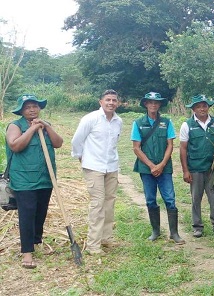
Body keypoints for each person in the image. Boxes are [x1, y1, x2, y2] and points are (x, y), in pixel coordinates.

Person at [6, 95, 63, 268]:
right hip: (24, 179)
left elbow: (58, 143)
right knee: (27, 214)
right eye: (28, 107)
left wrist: (45, 126)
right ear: (21, 110)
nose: (32, 109)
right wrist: (31, 129)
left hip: (45, 177)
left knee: (40, 212)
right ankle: (27, 253)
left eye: (35, 106)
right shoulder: (15, 126)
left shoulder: (45, 125)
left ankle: (36, 242)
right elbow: (15, 145)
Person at [71, 89, 123, 255]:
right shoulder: (90, 119)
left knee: (109, 203)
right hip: (94, 167)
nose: (111, 103)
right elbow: (76, 140)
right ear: (100, 102)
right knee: (98, 204)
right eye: (108, 99)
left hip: (111, 166)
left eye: (114, 100)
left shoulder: (118, 121)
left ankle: (106, 238)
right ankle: (93, 244)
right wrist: (82, 158)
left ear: (118, 103)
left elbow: (115, 142)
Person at [131, 92, 184, 244]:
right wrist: (151, 166)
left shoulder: (166, 123)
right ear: (146, 104)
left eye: (156, 102)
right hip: (146, 169)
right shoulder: (138, 123)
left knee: (170, 199)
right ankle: (156, 231)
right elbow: (136, 148)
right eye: (150, 102)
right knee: (150, 199)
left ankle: (174, 233)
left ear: (160, 104)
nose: (153, 105)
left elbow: (170, 145)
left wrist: (161, 165)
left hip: (164, 169)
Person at [179, 95, 214, 238]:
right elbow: (183, 149)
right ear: (193, 109)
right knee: (196, 198)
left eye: (204, 106)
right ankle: (197, 227)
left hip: (213, 168)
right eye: (198, 106)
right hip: (195, 167)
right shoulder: (187, 125)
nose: (202, 108)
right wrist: (185, 170)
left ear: (208, 107)